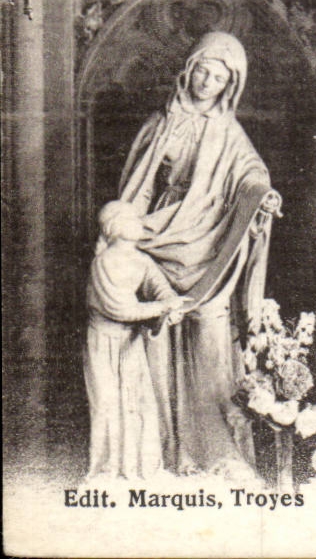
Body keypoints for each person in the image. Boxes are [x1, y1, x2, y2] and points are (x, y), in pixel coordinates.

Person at [120, 32, 281, 480]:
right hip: (156, 242)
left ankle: (219, 452)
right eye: (203, 71)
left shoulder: (229, 130)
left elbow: (251, 174)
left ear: (231, 84)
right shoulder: (160, 123)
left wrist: (261, 197)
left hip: (209, 248)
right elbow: (139, 185)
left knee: (210, 346)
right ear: (189, 69)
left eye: (218, 77)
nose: (207, 82)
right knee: (155, 340)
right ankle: (166, 453)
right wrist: (130, 232)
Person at [84, 200, 187, 481]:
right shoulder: (102, 263)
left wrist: (171, 306)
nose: (138, 221)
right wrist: (162, 309)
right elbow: (121, 310)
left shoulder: (142, 260)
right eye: (131, 218)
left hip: (130, 343)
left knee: (138, 402)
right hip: (104, 343)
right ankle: (108, 470)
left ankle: (143, 468)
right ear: (115, 226)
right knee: (107, 405)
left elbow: (161, 290)